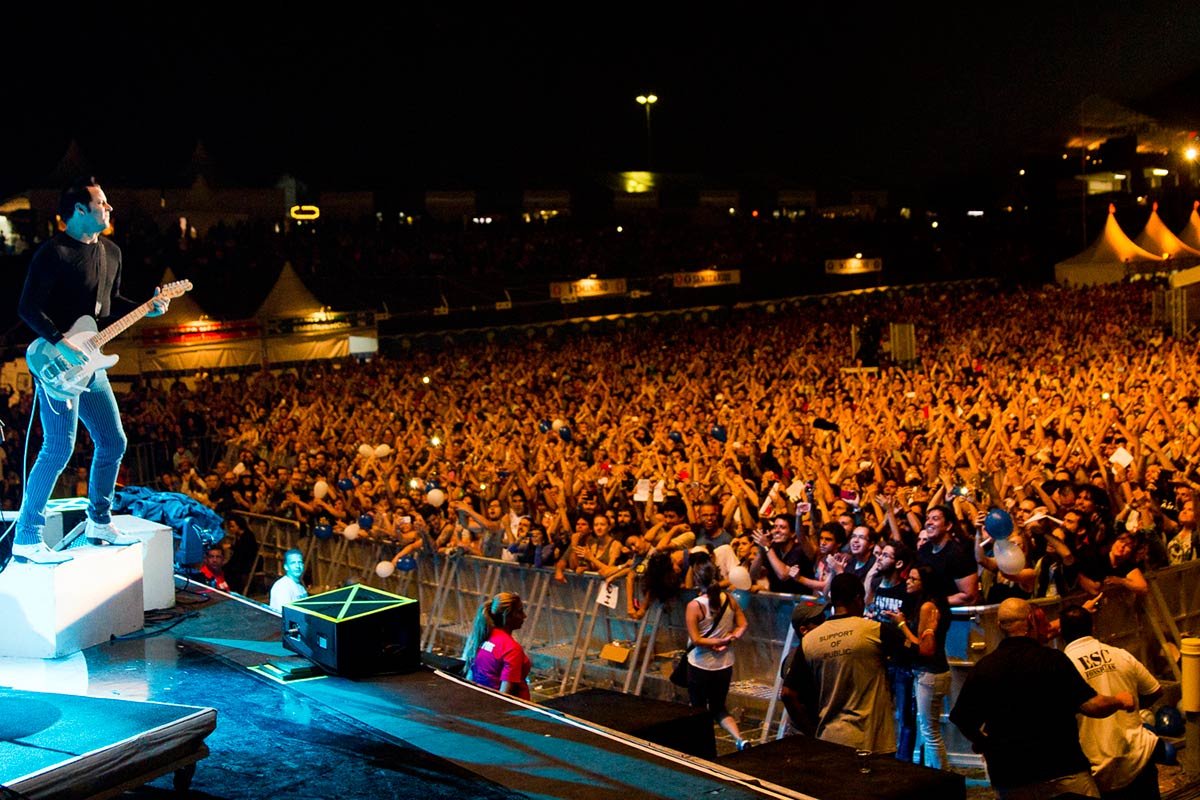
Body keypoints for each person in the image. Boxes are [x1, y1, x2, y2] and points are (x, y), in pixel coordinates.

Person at [13, 177, 170, 565]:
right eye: (102, 203)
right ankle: (27, 537)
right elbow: (27, 308)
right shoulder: (53, 254)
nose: (110, 208)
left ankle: (99, 521)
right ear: (79, 211)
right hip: (57, 365)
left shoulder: (111, 252)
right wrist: (59, 341)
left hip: (91, 364)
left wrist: (145, 307)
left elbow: (109, 304)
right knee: (58, 447)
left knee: (113, 442)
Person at [950, 597, 1136, 799]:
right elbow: (1092, 705)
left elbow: (962, 719)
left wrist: (984, 743)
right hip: (1062, 769)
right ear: (1031, 620)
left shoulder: (984, 668)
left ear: (998, 625)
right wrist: (1120, 700)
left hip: (1011, 777)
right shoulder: (1052, 660)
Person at [784, 573, 907, 753]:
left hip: (831, 738)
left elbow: (787, 693)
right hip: (872, 740)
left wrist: (813, 731)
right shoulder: (873, 630)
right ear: (858, 598)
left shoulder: (810, 641)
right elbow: (921, 653)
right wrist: (903, 625)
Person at [1060, 605, 1162, 799]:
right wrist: (1132, 708)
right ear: (1092, 628)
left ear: (1062, 633)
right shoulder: (1120, 654)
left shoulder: (1063, 666)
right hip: (1138, 757)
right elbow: (1155, 690)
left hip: (1097, 769)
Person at [885, 564, 951, 770]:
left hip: (930, 673)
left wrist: (901, 624)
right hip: (931, 672)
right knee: (927, 729)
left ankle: (942, 775)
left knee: (929, 731)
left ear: (925, 584)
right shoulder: (928, 604)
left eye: (914, 579)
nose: (908, 581)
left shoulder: (927, 607)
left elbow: (924, 648)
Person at [684, 562, 751, 751]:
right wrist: (729, 639)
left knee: (698, 708)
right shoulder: (729, 599)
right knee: (719, 707)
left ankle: (704, 747)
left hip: (700, 664)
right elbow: (743, 624)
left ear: (698, 581)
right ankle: (739, 739)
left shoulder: (694, 605)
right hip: (724, 664)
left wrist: (715, 643)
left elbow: (696, 640)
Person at [461, 591, 531, 699]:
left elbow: (471, 677)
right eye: (520, 611)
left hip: (480, 701)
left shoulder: (483, 636)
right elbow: (504, 695)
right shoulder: (511, 649)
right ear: (507, 616)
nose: (525, 616)